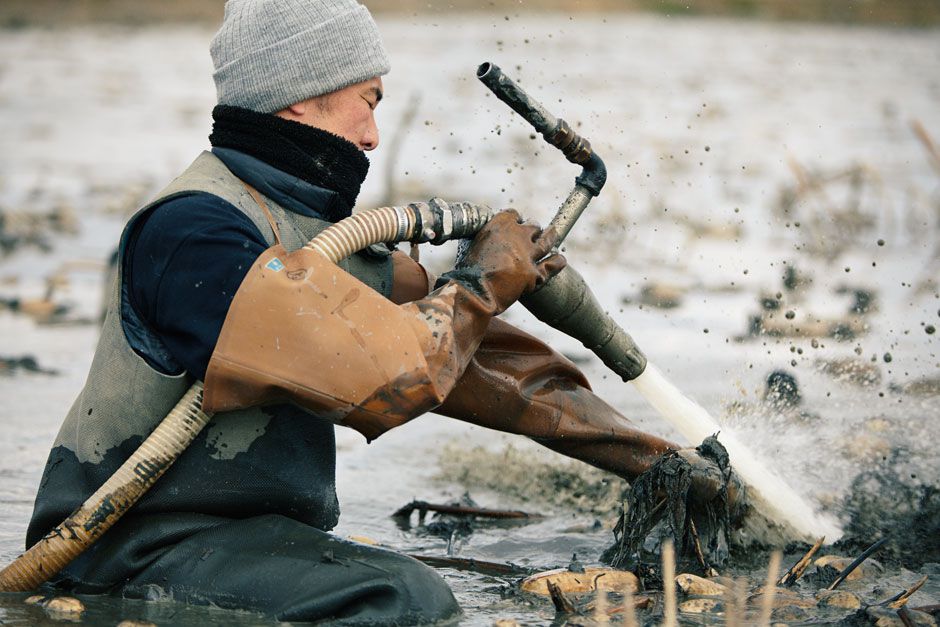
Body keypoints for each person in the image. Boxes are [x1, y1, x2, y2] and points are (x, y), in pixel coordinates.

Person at [26, 1, 729, 623]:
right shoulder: (195, 235)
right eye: (368, 100)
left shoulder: (318, 242)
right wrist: (480, 283)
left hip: (237, 536)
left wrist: (662, 464)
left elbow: (495, 371)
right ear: (300, 95)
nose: (371, 135)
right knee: (405, 598)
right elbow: (379, 379)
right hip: (127, 549)